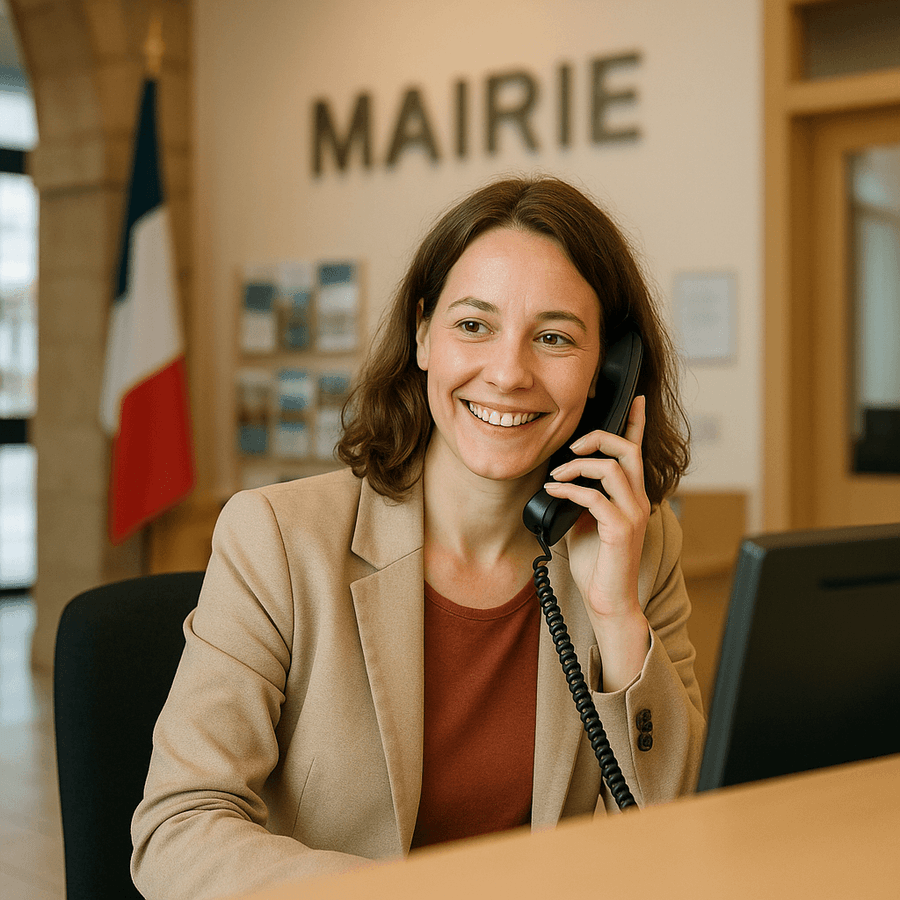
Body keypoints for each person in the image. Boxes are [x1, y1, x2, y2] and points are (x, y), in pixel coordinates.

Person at [131, 176, 705, 900]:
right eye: (474, 325)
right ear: (423, 333)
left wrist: (618, 613)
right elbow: (178, 829)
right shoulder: (277, 540)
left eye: (554, 337)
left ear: (607, 374)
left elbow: (680, 829)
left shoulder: (640, 550)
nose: (507, 372)